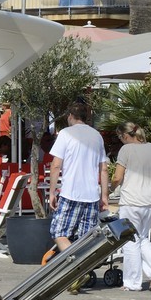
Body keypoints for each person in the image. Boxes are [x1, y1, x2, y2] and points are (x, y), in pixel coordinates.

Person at [47, 103, 108, 251]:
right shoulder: (97, 135)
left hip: (71, 193)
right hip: (92, 195)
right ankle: (82, 269)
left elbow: (56, 165)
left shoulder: (66, 133)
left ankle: (75, 265)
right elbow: (104, 169)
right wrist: (104, 196)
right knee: (85, 237)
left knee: (59, 232)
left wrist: (52, 192)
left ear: (70, 116)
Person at [113, 123, 151, 291]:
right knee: (141, 237)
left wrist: (109, 189)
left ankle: (132, 282)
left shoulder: (126, 150)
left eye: (120, 138)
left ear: (125, 136)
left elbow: (117, 177)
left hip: (132, 200)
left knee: (130, 240)